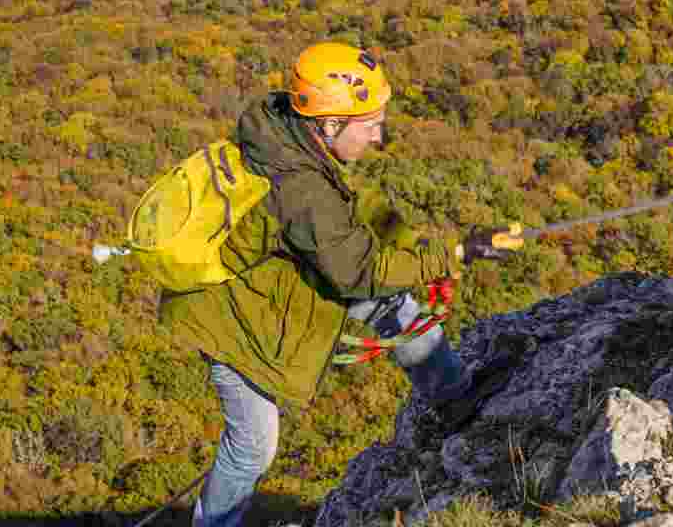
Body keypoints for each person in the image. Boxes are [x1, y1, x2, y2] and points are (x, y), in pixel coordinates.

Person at [157, 42, 522, 527]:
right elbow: (360, 271)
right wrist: (455, 254)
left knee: (391, 305)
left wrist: (413, 244)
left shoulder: (287, 134)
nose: (378, 137)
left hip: (263, 290)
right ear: (329, 125)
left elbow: (351, 232)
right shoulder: (302, 187)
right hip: (228, 326)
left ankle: (454, 397)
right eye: (370, 124)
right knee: (252, 448)